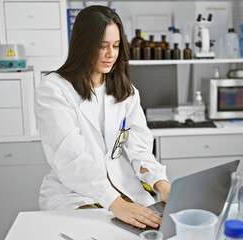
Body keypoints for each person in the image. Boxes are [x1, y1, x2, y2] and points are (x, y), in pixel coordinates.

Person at [34, 5, 170, 229]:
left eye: (116, 46)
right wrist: (115, 203)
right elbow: (70, 158)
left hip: (125, 192)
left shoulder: (126, 91)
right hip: (77, 195)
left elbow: (139, 149)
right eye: (102, 46)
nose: (111, 55)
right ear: (83, 46)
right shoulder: (54, 89)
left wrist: (160, 183)